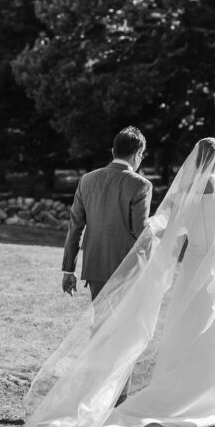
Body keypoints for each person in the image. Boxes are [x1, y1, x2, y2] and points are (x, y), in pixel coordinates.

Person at [7, 138, 215, 427]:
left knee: (176, 327)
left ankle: (108, 393)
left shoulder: (181, 193)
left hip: (185, 266)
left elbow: (165, 230)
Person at [61, 127, 152, 300]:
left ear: (113, 151)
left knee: (101, 317)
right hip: (127, 268)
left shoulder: (86, 180)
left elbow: (75, 227)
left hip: (95, 266)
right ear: (137, 154)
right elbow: (140, 231)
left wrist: (69, 269)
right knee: (124, 317)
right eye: (142, 155)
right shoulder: (141, 185)